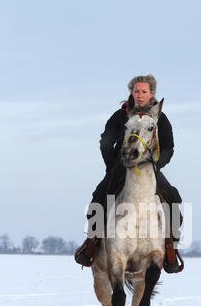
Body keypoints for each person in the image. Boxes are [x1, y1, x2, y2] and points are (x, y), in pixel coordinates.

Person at [75, 74, 183, 273]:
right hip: (121, 166)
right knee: (99, 197)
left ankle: (170, 249)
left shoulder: (161, 118)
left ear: (151, 93)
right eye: (136, 91)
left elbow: (168, 146)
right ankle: (92, 243)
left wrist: (157, 163)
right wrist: (112, 166)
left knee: (174, 197)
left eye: (143, 91)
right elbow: (106, 142)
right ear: (131, 93)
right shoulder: (120, 115)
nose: (139, 95)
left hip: (149, 168)